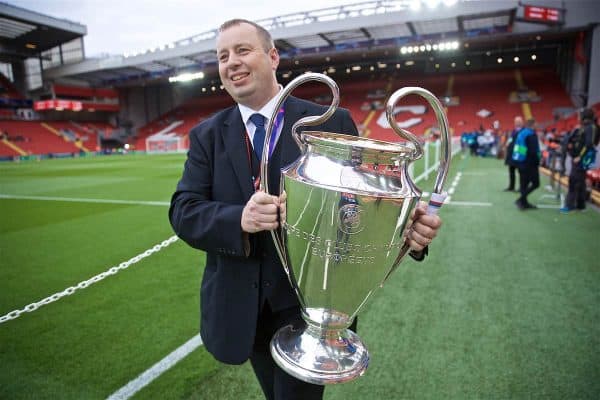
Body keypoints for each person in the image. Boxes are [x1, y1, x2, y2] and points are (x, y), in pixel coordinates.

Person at [169, 18, 442, 400]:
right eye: (222, 56)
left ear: (273, 56)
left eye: (242, 50)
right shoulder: (207, 135)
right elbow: (183, 211)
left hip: (309, 307)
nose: (231, 62)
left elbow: (361, 208)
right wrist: (240, 219)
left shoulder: (331, 120)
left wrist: (409, 236)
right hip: (242, 310)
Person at [560, 108, 599, 213]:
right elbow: (581, 142)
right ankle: (581, 205)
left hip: (582, 159)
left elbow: (589, 144)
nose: (578, 116)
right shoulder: (586, 127)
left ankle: (569, 205)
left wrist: (579, 157)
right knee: (580, 182)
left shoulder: (590, 127)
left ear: (584, 116)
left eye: (579, 115)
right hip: (580, 158)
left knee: (573, 181)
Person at [513, 118, 540, 210]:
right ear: (532, 125)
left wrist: (517, 160)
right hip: (530, 163)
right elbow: (533, 151)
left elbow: (517, 148)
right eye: (536, 124)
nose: (537, 126)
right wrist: (537, 161)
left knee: (524, 184)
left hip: (520, 161)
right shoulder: (531, 134)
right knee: (536, 183)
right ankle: (520, 200)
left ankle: (524, 203)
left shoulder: (521, 133)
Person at [503, 116, 523, 192]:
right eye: (516, 121)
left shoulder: (524, 131)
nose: (517, 123)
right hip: (511, 153)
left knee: (521, 172)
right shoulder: (514, 130)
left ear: (522, 122)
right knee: (511, 170)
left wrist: (520, 154)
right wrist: (507, 144)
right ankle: (511, 186)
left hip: (519, 153)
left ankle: (521, 187)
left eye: (518, 121)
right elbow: (510, 139)